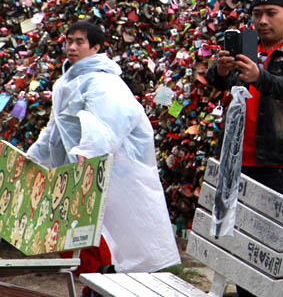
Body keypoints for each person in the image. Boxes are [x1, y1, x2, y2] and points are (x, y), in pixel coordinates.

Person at [27, 20, 180, 282]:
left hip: (110, 172)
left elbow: (107, 122)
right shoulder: (67, 81)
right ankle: (93, 283)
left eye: (79, 42)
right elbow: (54, 129)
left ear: (95, 47)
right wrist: (34, 157)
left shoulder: (102, 81)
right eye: (69, 40)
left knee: (112, 239)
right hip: (80, 170)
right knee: (84, 237)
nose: (72, 47)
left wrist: (88, 154)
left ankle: (105, 281)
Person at [207, 0, 283, 196]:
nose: (263, 21)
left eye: (271, 13)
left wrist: (260, 77)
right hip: (230, 156)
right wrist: (220, 71)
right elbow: (217, 83)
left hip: (273, 164)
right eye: (257, 14)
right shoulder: (246, 50)